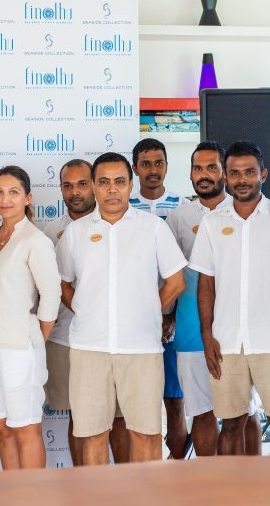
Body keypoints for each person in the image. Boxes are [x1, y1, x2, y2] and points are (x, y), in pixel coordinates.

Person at [58, 152, 186, 466]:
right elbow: (61, 283)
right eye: (104, 182)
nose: (112, 189)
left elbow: (176, 281)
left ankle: (145, 492)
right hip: (89, 349)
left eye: (119, 181)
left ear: (131, 185)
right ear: (94, 187)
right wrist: (85, 309)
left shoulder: (153, 228)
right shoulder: (76, 232)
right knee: (92, 435)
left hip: (141, 349)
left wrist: (146, 312)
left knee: (146, 434)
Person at [193, 141, 270, 455]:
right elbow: (206, 285)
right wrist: (207, 336)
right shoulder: (212, 223)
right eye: (234, 173)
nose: (242, 179)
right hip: (227, 344)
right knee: (231, 424)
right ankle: (232, 487)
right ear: (225, 177)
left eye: (249, 172)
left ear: (263, 174)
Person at [43, 159, 133, 466]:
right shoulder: (51, 231)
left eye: (82, 184)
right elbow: (52, 287)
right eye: (67, 186)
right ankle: (83, 485)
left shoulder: (121, 224)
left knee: (119, 419)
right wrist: (85, 311)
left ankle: (123, 485)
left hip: (115, 339)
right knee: (80, 420)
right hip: (66, 339)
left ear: (94, 185)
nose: (75, 192)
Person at [0, 166, 60, 470]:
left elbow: (51, 294)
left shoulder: (35, 240)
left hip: (19, 349)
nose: (5, 199)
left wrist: (35, 341)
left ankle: (33, 493)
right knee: (2, 428)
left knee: (26, 428)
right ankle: (11, 491)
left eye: (13, 192)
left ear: (27, 197)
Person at [165, 142, 229, 457]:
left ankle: (249, 480)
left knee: (243, 414)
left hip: (237, 331)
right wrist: (167, 316)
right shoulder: (178, 217)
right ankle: (209, 481)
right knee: (202, 412)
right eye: (197, 169)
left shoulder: (244, 209)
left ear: (225, 172)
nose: (204, 175)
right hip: (190, 330)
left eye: (211, 168)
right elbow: (169, 275)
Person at [129, 138, 187, 458]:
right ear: (135, 168)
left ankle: (177, 471)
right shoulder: (123, 208)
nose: (153, 170)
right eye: (146, 164)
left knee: (175, 403)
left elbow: (184, 272)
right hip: (135, 325)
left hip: (173, 325)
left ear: (167, 166)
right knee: (138, 407)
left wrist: (170, 317)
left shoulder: (183, 207)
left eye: (159, 163)